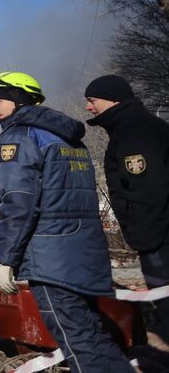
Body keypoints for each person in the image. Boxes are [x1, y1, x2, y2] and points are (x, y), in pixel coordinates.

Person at [0, 71, 133, 373]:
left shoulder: (19, 137)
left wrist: (5, 258)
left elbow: (19, 201)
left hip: (50, 260)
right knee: (91, 336)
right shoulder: (67, 137)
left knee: (78, 344)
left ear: (18, 98)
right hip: (83, 253)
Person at [84, 74, 169, 343]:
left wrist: (144, 237)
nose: (88, 107)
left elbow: (146, 189)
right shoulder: (133, 126)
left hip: (159, 239)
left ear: (112, 99)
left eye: (92, 100)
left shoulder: (133, 131)